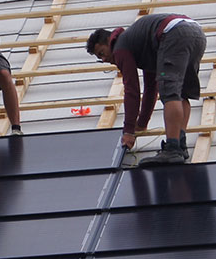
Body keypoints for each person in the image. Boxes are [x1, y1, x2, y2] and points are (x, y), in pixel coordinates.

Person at [86, 13, 208, 165]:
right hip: (195, 34)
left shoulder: (120, 47)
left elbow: (132, 89)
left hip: (174, 34)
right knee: (181, 92)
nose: (104, 59)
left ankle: (172, 148)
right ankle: (180, 144)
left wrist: (129, 131)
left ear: (109, 41)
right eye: (100, 58)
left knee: (170, 93)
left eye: (102, 53)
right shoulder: (138, 43)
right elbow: (151, 87)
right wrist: (142, 122)